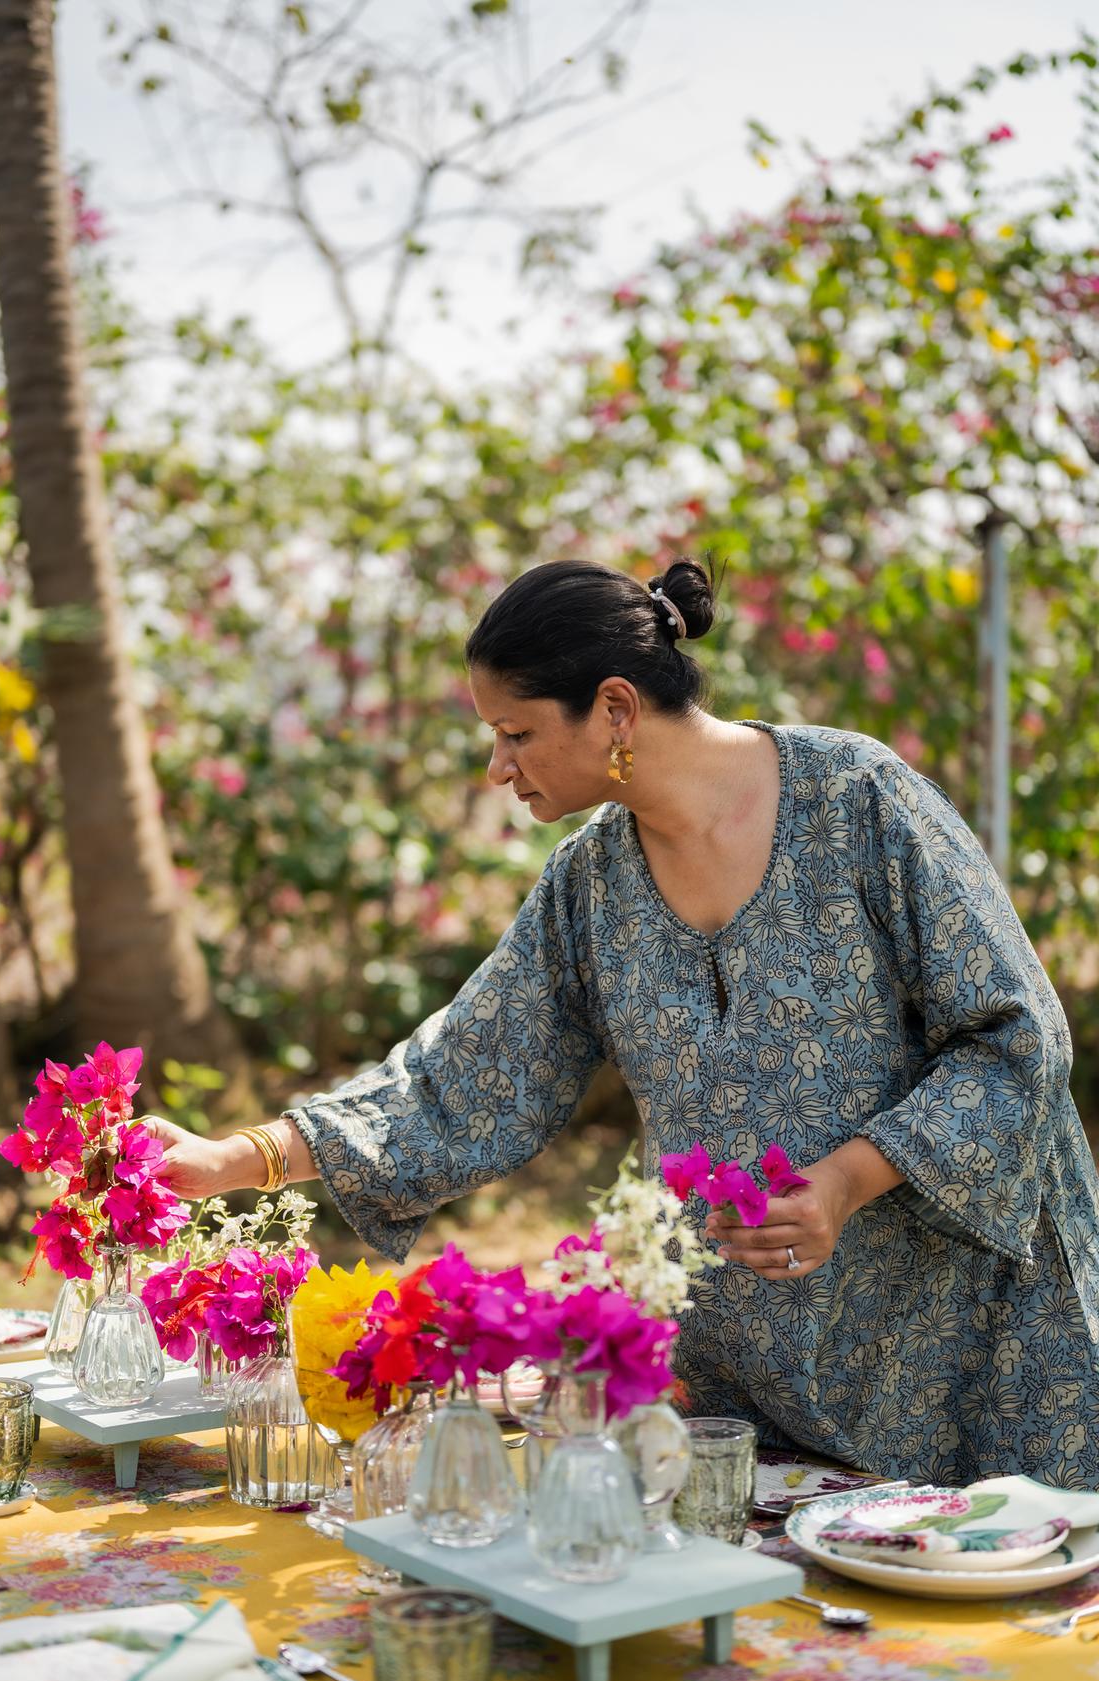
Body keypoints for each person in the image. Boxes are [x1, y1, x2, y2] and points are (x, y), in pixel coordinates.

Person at [146, 557, 1099, 1486]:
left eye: (515, 733)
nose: (496, 767)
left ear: (614, 708)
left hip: (982, 1350)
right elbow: (465, 1078)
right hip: (756, 1379)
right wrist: (232, 1160)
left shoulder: (860, 801)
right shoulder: (590, 885)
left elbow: (1019, 1040)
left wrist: (848, 1180)